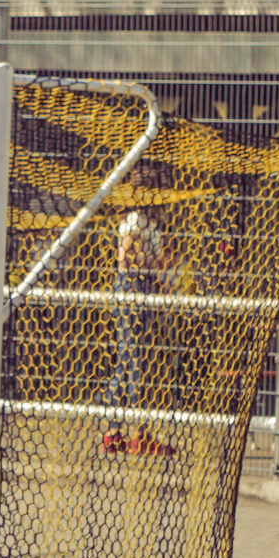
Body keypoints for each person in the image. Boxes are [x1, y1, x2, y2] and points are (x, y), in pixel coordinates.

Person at [102, 167, 176, 456]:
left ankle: (116, 431)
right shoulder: (135, 219)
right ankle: (137, 433)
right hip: (133, 286)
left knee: (129, 358)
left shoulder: (150, 222)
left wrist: (161, 262)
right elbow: (125, 256)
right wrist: (153, 261)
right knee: (135, 360)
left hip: (143, 287)